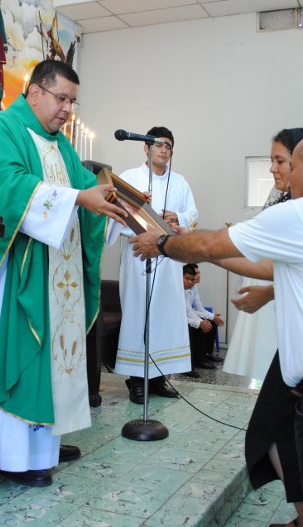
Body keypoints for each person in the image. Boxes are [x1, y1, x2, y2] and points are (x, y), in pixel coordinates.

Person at [130, 129, 303, 527]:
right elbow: (273, 266)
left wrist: (161, 244)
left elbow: (208, 246)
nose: (281, 173)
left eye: (287, 164)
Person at [0, 60, 127, 487]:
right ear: (36, 92)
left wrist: (123, 207)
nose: (67, 110)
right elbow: (7, 187)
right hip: (12, 275)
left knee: (52, 361)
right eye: (62, 99)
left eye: (72, 103)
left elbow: (87, 192)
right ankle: (6, 454)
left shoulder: (60, 145)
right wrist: (78, 198)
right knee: (17, 356)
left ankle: (41, 445)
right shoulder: (2, 130)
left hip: (52, 275)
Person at [224, 127, 303, 527]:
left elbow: (266, 263)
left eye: (280, 160)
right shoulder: (290, 202)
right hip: (298, 333)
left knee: (275, 427)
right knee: (277, 428)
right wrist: (271, 291)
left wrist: (184, 245)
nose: (273, 168)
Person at [108, 126, 197, 404]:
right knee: (139, 314)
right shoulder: (129, 178)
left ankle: (159, 378)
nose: (164, 150)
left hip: (168, 258)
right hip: (139, 255)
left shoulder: (180, 182)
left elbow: (193, 214)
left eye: (168, 146)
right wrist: (137, 212)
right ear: (146, 147)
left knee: (166, 316)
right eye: (158, 144)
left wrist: (177, 217)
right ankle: (136, 380)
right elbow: (114, 212)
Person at [182, 264, 220, 378]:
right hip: (174, 321)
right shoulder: (178, 290)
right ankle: (187, 364)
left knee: (209, 323)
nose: (197, 276)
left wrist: (204, 321)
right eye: (187, 278)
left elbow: (192, 309)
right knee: (193, 327)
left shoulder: (189, 290)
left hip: (186, 317)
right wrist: (199, 323)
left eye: (198, 274)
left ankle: (204, 356)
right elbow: (179, 315)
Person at [189, 263, 224, 363]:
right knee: (201, 326)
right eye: (196, 273)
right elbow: (188, 311)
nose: (198, 275)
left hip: (191, 315)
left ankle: (207, 354)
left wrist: (211, 317)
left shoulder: (194, 288)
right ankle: (199, 358)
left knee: (212, 322)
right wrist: (203, 320)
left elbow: (198, 307)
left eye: (199, 273)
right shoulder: (183, 288)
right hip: (186, 317)